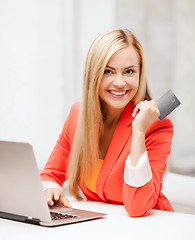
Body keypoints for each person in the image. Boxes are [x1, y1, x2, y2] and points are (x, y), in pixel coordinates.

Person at [40, 28, 174, 217]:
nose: (119, 82)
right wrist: (50, 190)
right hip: (101, 227)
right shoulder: (77, 114)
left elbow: (137, 207)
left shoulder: (157, 126)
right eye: (108, 71)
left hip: (148, 228)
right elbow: (50, 173)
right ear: (92, 75)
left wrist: (138, 132)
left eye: (129, 71)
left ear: (139, 74)